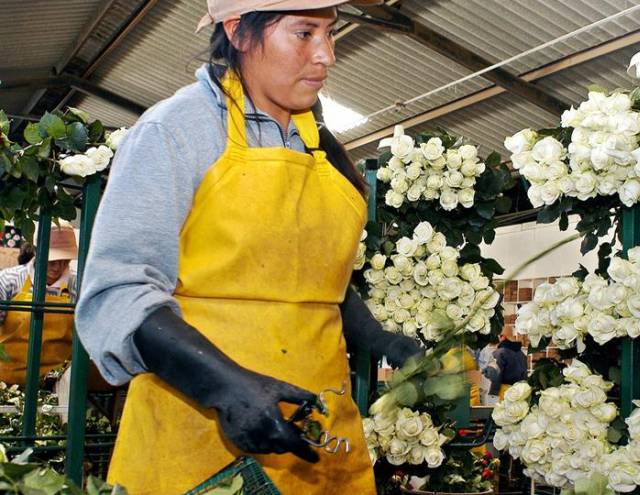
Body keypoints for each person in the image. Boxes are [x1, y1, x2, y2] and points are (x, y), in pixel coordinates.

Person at [75, 1, 420, 494]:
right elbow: (118, 290)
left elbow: (304, 275)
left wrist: (380, 339)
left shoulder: (314, 141)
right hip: (200, 438)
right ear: (238, 32)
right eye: (304, 33)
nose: (326, 55)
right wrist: (224, 387)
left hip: (318, 434)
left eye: (329, 33)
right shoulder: (175, 132)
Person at [0, 226, 77, 384]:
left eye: (65, 261)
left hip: (57, 384)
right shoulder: (9, 280)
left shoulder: (78, 286)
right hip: (6, 379)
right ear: (36, 251)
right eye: (53, 261)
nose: (58, 267)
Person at [483, 332, 527, 399]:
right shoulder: (521, 354)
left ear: (503, 337)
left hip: (504, 392)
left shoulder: (500, 353)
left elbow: (496, 375)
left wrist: (492, 394)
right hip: (519, 392)